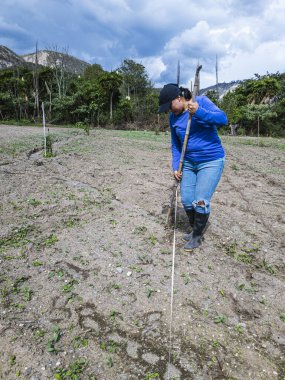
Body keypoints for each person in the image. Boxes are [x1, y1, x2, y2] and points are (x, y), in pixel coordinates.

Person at [159, 83, 228, 251]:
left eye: (169, 106)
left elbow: (223, 119)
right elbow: (175, 145)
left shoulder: (201, 102)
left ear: (179, 98)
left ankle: (197, 236)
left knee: (201, 201)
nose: (169, 110)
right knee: (188, 200)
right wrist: (176, 166)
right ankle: (193, 229)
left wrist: (199, 112)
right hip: (188, 163)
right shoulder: (173, 118)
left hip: (210, 161)